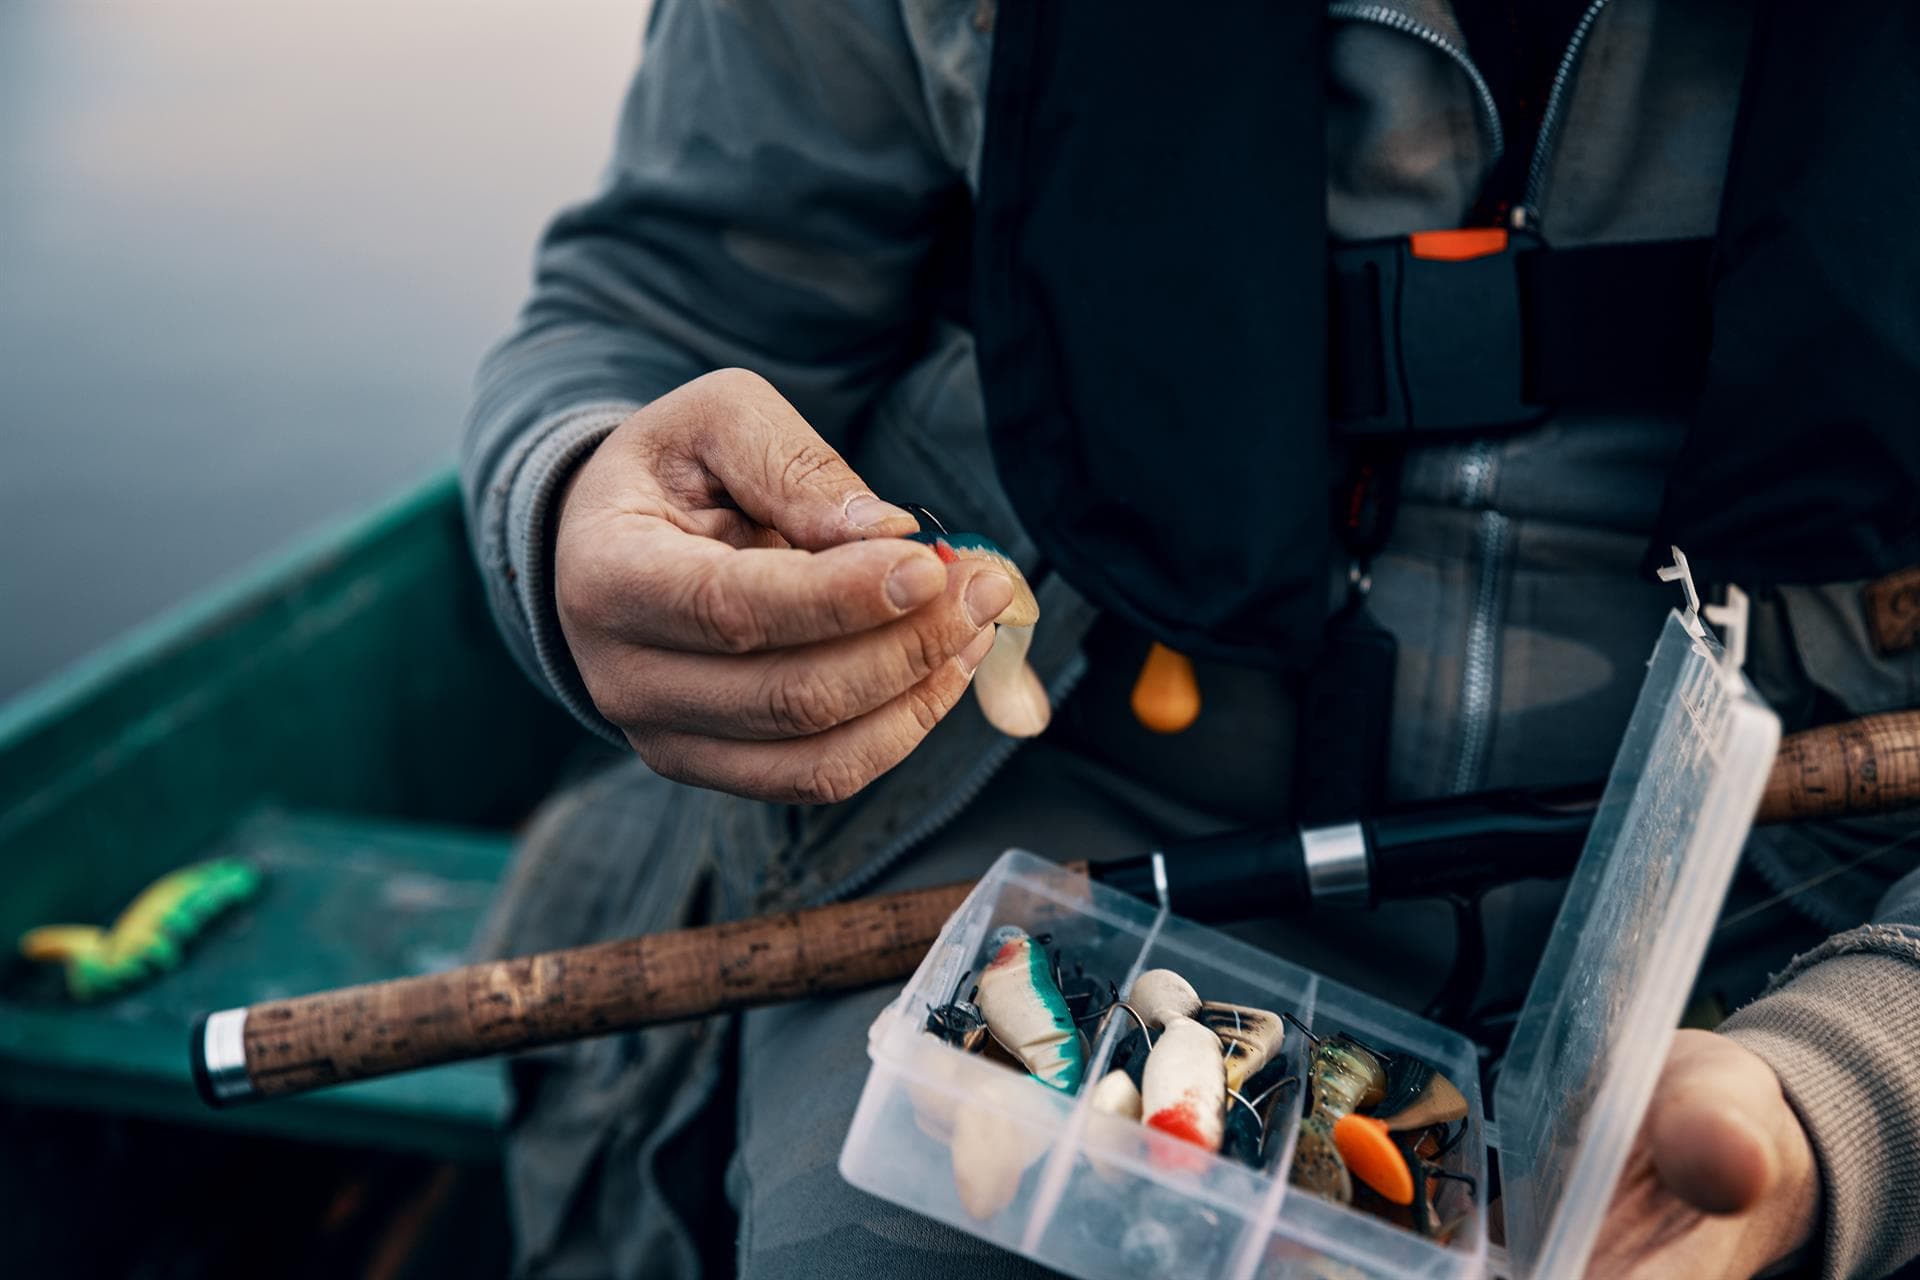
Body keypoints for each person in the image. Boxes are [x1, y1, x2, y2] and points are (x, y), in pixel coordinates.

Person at [461, 2, 1920, 1276]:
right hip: (1034, 847)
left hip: (1812, 920)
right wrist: (575, 501)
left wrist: (1858, 1079)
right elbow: (656, 306)